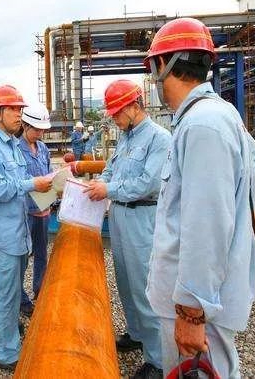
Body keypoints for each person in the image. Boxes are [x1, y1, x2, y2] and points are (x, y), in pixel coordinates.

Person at [143, 18, 255, 378]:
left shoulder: (202, 126)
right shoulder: (213, 117)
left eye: (153, 67)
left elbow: (206, 227)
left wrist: (191, 312)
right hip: (200, 300)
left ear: (165, 65)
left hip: (197, 307)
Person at [84, 79, 171, 379]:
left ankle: (158, 361)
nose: (115, 118)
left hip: (142, 217)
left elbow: (148, 183)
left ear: (136, 105)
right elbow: (110, 168)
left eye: (118, 112)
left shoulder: (160, 139)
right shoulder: (126, 136)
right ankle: (136, 334)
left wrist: (108, 188)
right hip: (120, 217)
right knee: (125, 281)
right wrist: (101, 183)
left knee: (144, 288)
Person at [0, 85, 53, 371]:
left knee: (9, 288)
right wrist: (34, 184)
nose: (20, 114)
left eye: (20, 109)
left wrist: (47, 193)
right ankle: (7, 352)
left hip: (19, 232)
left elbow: (19, 187)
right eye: (14, 109)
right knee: (7, 294)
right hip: (3, 236)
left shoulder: (10, 145)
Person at [16, 102, 52, 317]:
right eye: (36, 130)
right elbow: (18, 181)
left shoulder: (43, 148)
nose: (40, 134)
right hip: (26, 212)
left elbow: (49, 171)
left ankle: (40, 290)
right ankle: (20, 299)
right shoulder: (16, 150)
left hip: (44, 210)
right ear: (25, 125)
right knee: (21, 257)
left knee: (41, 253)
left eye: (42, 130)